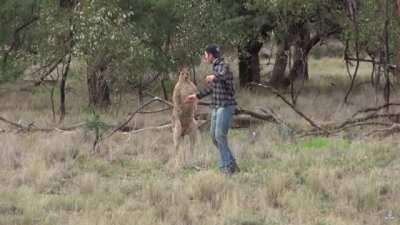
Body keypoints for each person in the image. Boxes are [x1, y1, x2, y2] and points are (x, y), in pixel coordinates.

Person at [186, 44, 240, 175]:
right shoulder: (216, 66)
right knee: (214, 137)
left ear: (210, 55)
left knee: (220, 136)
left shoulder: (223, 65)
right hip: (217, 106)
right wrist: (197, 96)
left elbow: (223, 75)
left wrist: (214, 77)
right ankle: (231, 163)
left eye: (205, 55)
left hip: (225, 106)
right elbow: (214, 88)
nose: (205, 58)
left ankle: (227, 168)